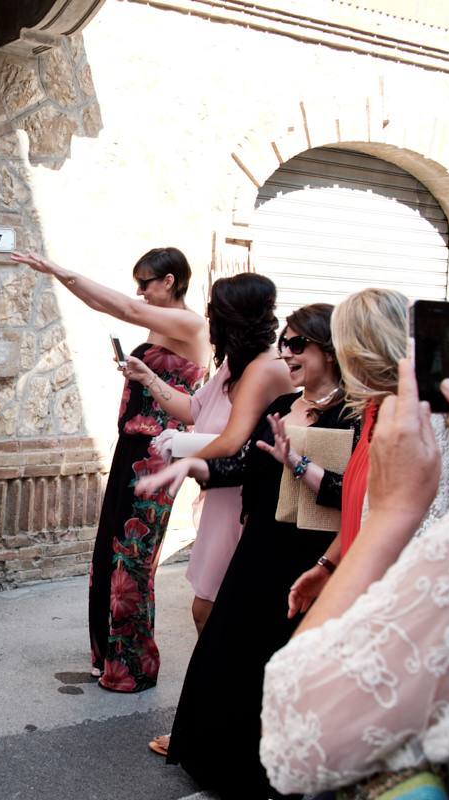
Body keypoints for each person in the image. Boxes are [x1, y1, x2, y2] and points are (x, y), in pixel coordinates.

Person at [134, 303, 357, 798]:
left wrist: (297, 464)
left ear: (328, 349)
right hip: (261, 546)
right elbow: (243, 468)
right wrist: (189, 469)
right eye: (284, 342)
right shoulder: (281, 409)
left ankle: (273, 772)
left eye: (297, 345)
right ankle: (217, 761)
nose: (287, 353)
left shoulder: (355, 415)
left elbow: (353, 495)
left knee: (285, 663)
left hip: (313, 557)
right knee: (229, 651)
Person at [261, 358, 449, 798]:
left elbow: (298, 730)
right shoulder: (375, 414)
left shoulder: (402, 426)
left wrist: (392, 515)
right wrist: (330, 565)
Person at [11, 246, 208, 692]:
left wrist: (57, 268)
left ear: (170, 282)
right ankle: (109, 656)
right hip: (131, 447)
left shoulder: (192, 325)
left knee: (132, 558)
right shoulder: (163, 328)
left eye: (146, 283)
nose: (139, 292)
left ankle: (133, 666)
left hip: (159, 452)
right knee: (110, 552)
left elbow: (119, 306)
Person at [124, 272, 292, 634]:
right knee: (208, 606)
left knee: (211, 609)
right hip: (219, 495)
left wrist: (178, 468)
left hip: (242, 497)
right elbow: (192, 411)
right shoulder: (235, 364)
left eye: (214, 312)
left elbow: (231, 441)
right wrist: (148, 379)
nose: (208, 318)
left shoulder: (265, 368)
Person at [287, 289, 449, 620]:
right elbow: (363, 509)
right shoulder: (372, 409)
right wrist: (329, 566)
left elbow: (419, 551)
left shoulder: (418, 428)